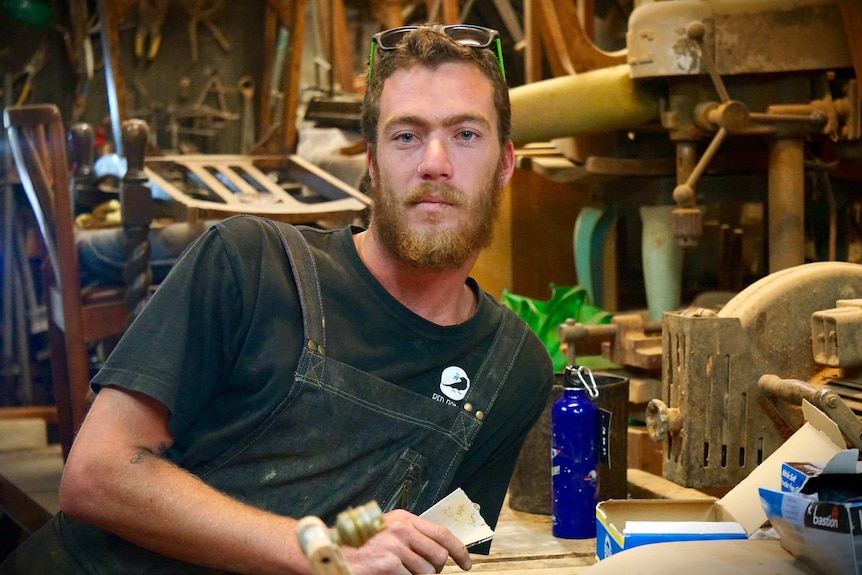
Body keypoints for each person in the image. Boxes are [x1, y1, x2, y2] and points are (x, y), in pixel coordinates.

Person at [1, 24, 553, 575]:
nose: (435, 162)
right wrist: (320, 551)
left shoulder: (510, 374)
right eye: (406, 135)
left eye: (465, 135)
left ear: (505, 164)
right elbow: (96, 475)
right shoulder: (251, 264)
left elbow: (437, 551)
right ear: (372, 163)